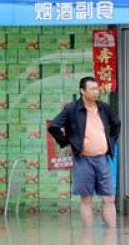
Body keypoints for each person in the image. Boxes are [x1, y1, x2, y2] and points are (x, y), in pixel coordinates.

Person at [48, 76, 121, 229]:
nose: (96, 92)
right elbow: (53, 126)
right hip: (83, 160)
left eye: (97, 88)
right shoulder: (72, 108)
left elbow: (116, 125)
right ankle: (87, 236)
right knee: (86, 199)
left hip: (102, 159)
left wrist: (111, 142)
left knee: (109, 198)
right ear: (82, 91)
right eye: (92, 89)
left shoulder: (104, 107)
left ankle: (112, 234)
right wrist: (67, 142)